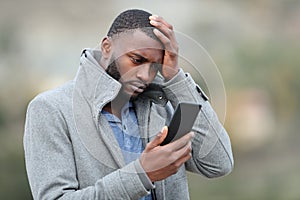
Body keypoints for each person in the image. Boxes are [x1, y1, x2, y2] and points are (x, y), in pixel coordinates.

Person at [24, 9, 234, 200]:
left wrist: (176, 78)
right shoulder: (51, 109)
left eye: (155, 66)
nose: (145, 76)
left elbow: (219, 164)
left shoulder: (161, 106)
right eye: (136, 60)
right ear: (107, 47)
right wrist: (143, 174)